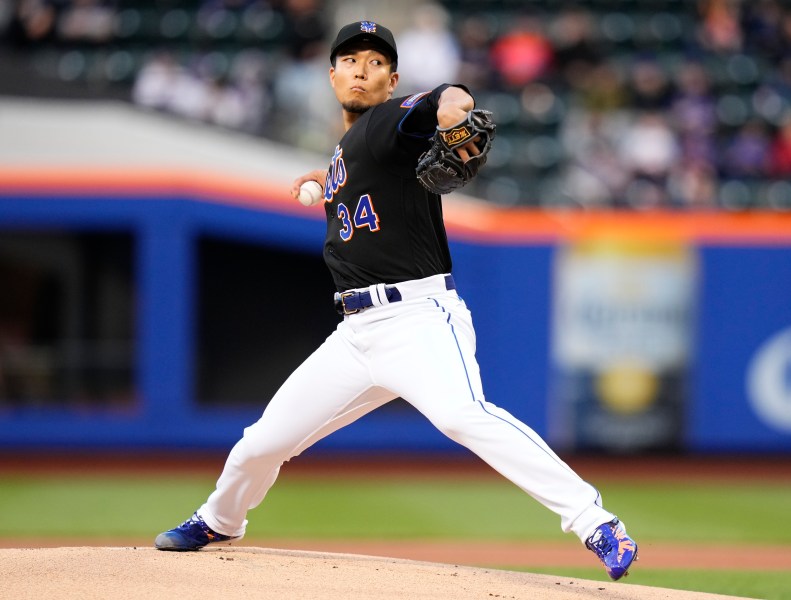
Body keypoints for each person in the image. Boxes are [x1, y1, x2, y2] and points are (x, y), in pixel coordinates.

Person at [154, 20, 638, 581]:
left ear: (392, 80)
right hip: (356, 334)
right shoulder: (349, 149)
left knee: (464, 415)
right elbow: (368, 171)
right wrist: (331, 177)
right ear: (331, 73)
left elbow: (440, 101)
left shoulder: (388, 122)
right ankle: (221, 519)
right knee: (260, 443)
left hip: (418, 321)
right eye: (351, 59)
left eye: (377, 62)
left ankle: (594, 519)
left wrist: (454, 108)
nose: (363, 68)